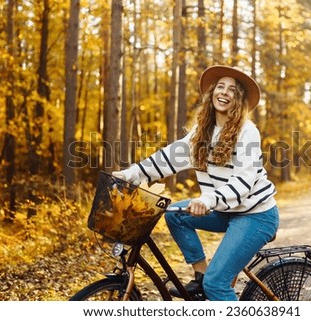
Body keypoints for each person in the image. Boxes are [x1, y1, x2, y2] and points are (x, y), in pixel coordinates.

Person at [112, 65, 279, 301]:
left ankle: (209, 284)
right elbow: (168, 158)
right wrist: (130, 175)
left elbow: (244, 181)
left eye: (232, 89)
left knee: (218, 284)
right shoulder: (202, 132)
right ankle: (201, 277)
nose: (224, 92)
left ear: (238, 99)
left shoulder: (247, 132)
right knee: (175, 214)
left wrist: (207, 200)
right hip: (224, 210)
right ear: (212, 94)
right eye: (220, 86)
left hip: (255, 215)